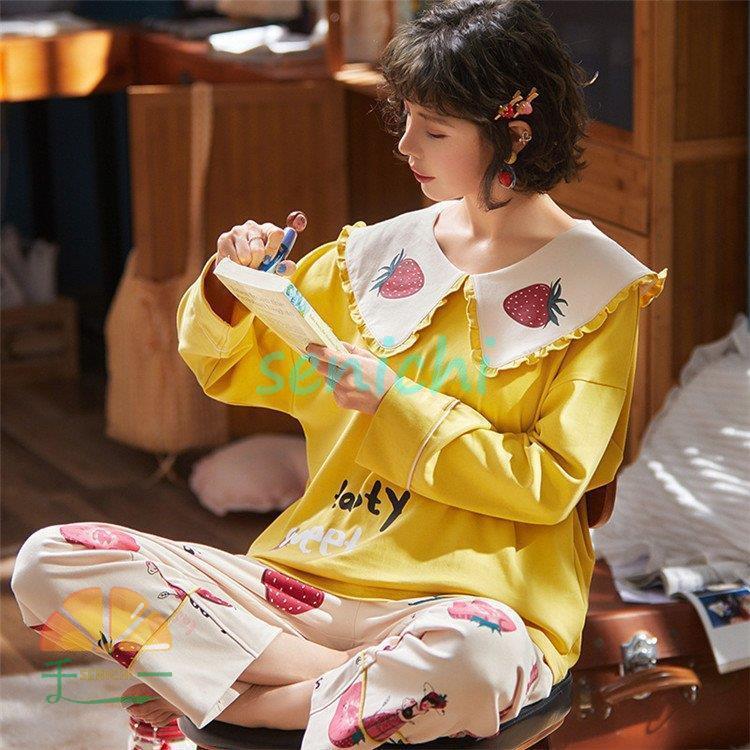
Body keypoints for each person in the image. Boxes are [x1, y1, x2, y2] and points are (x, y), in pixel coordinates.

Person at [10, 1, 668, 748]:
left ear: (514, 133)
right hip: (304, 588)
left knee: (475, 661)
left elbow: (548, 483)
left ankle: (244, 700)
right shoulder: (373, 257)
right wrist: (234, 282)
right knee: (51, 561)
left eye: (435, 130)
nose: (406, 145)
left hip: (468, 605)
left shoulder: (598, 288)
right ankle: (336, 688)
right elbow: (236, 370)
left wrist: (395, 402)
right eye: (407, 118)